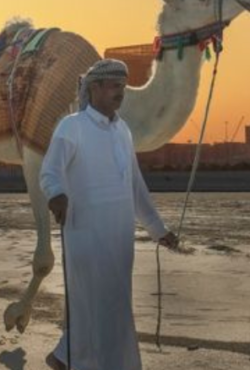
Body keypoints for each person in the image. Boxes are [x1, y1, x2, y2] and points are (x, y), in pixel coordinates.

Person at [40, 59, 179, 370]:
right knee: (95, 303)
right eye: (115, 85)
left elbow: (135, 186)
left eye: (123, 86)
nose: (121, 92)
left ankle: (64, 356)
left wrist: (159, 230)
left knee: (114, 304)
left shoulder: (123, 130)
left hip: (119, 235)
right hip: (85, 233)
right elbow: (50, 171)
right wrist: (57, 194)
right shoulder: (72, 126)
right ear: (95, 88)